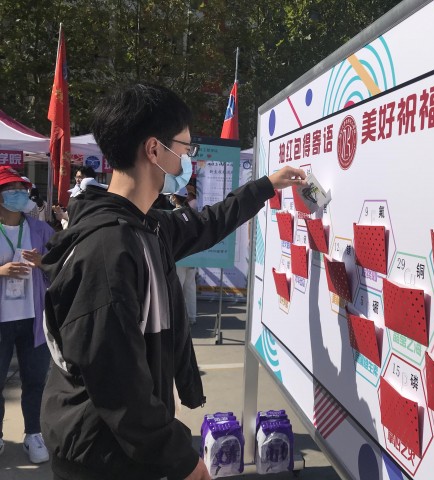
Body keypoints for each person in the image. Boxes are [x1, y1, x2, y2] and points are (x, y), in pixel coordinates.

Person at [40, 83, 305, 480]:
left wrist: (267, 185)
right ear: (154, 150)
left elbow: (208, 223)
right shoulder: (108, 252)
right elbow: (118, 386)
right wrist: (179, 458)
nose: (187, 159)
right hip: (104, 457)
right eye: (185, 147)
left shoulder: (145, 227)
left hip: (124, 447)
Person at [0, 166, 54, 464]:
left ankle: (33, 434)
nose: (20, 195)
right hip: (1, 323)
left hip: (34, 319)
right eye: (13, 191)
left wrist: (44, 262)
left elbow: (63, 266)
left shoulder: (41, 230)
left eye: (23, 190)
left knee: (35, 381)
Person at [171, 187, 197, 325]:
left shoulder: (173, 214)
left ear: (175, 198)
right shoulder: (192, 213)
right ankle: (192, 316)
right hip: (192, 255)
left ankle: (178, 319)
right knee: (190, 287)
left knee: (178, 288)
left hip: (179, 256)